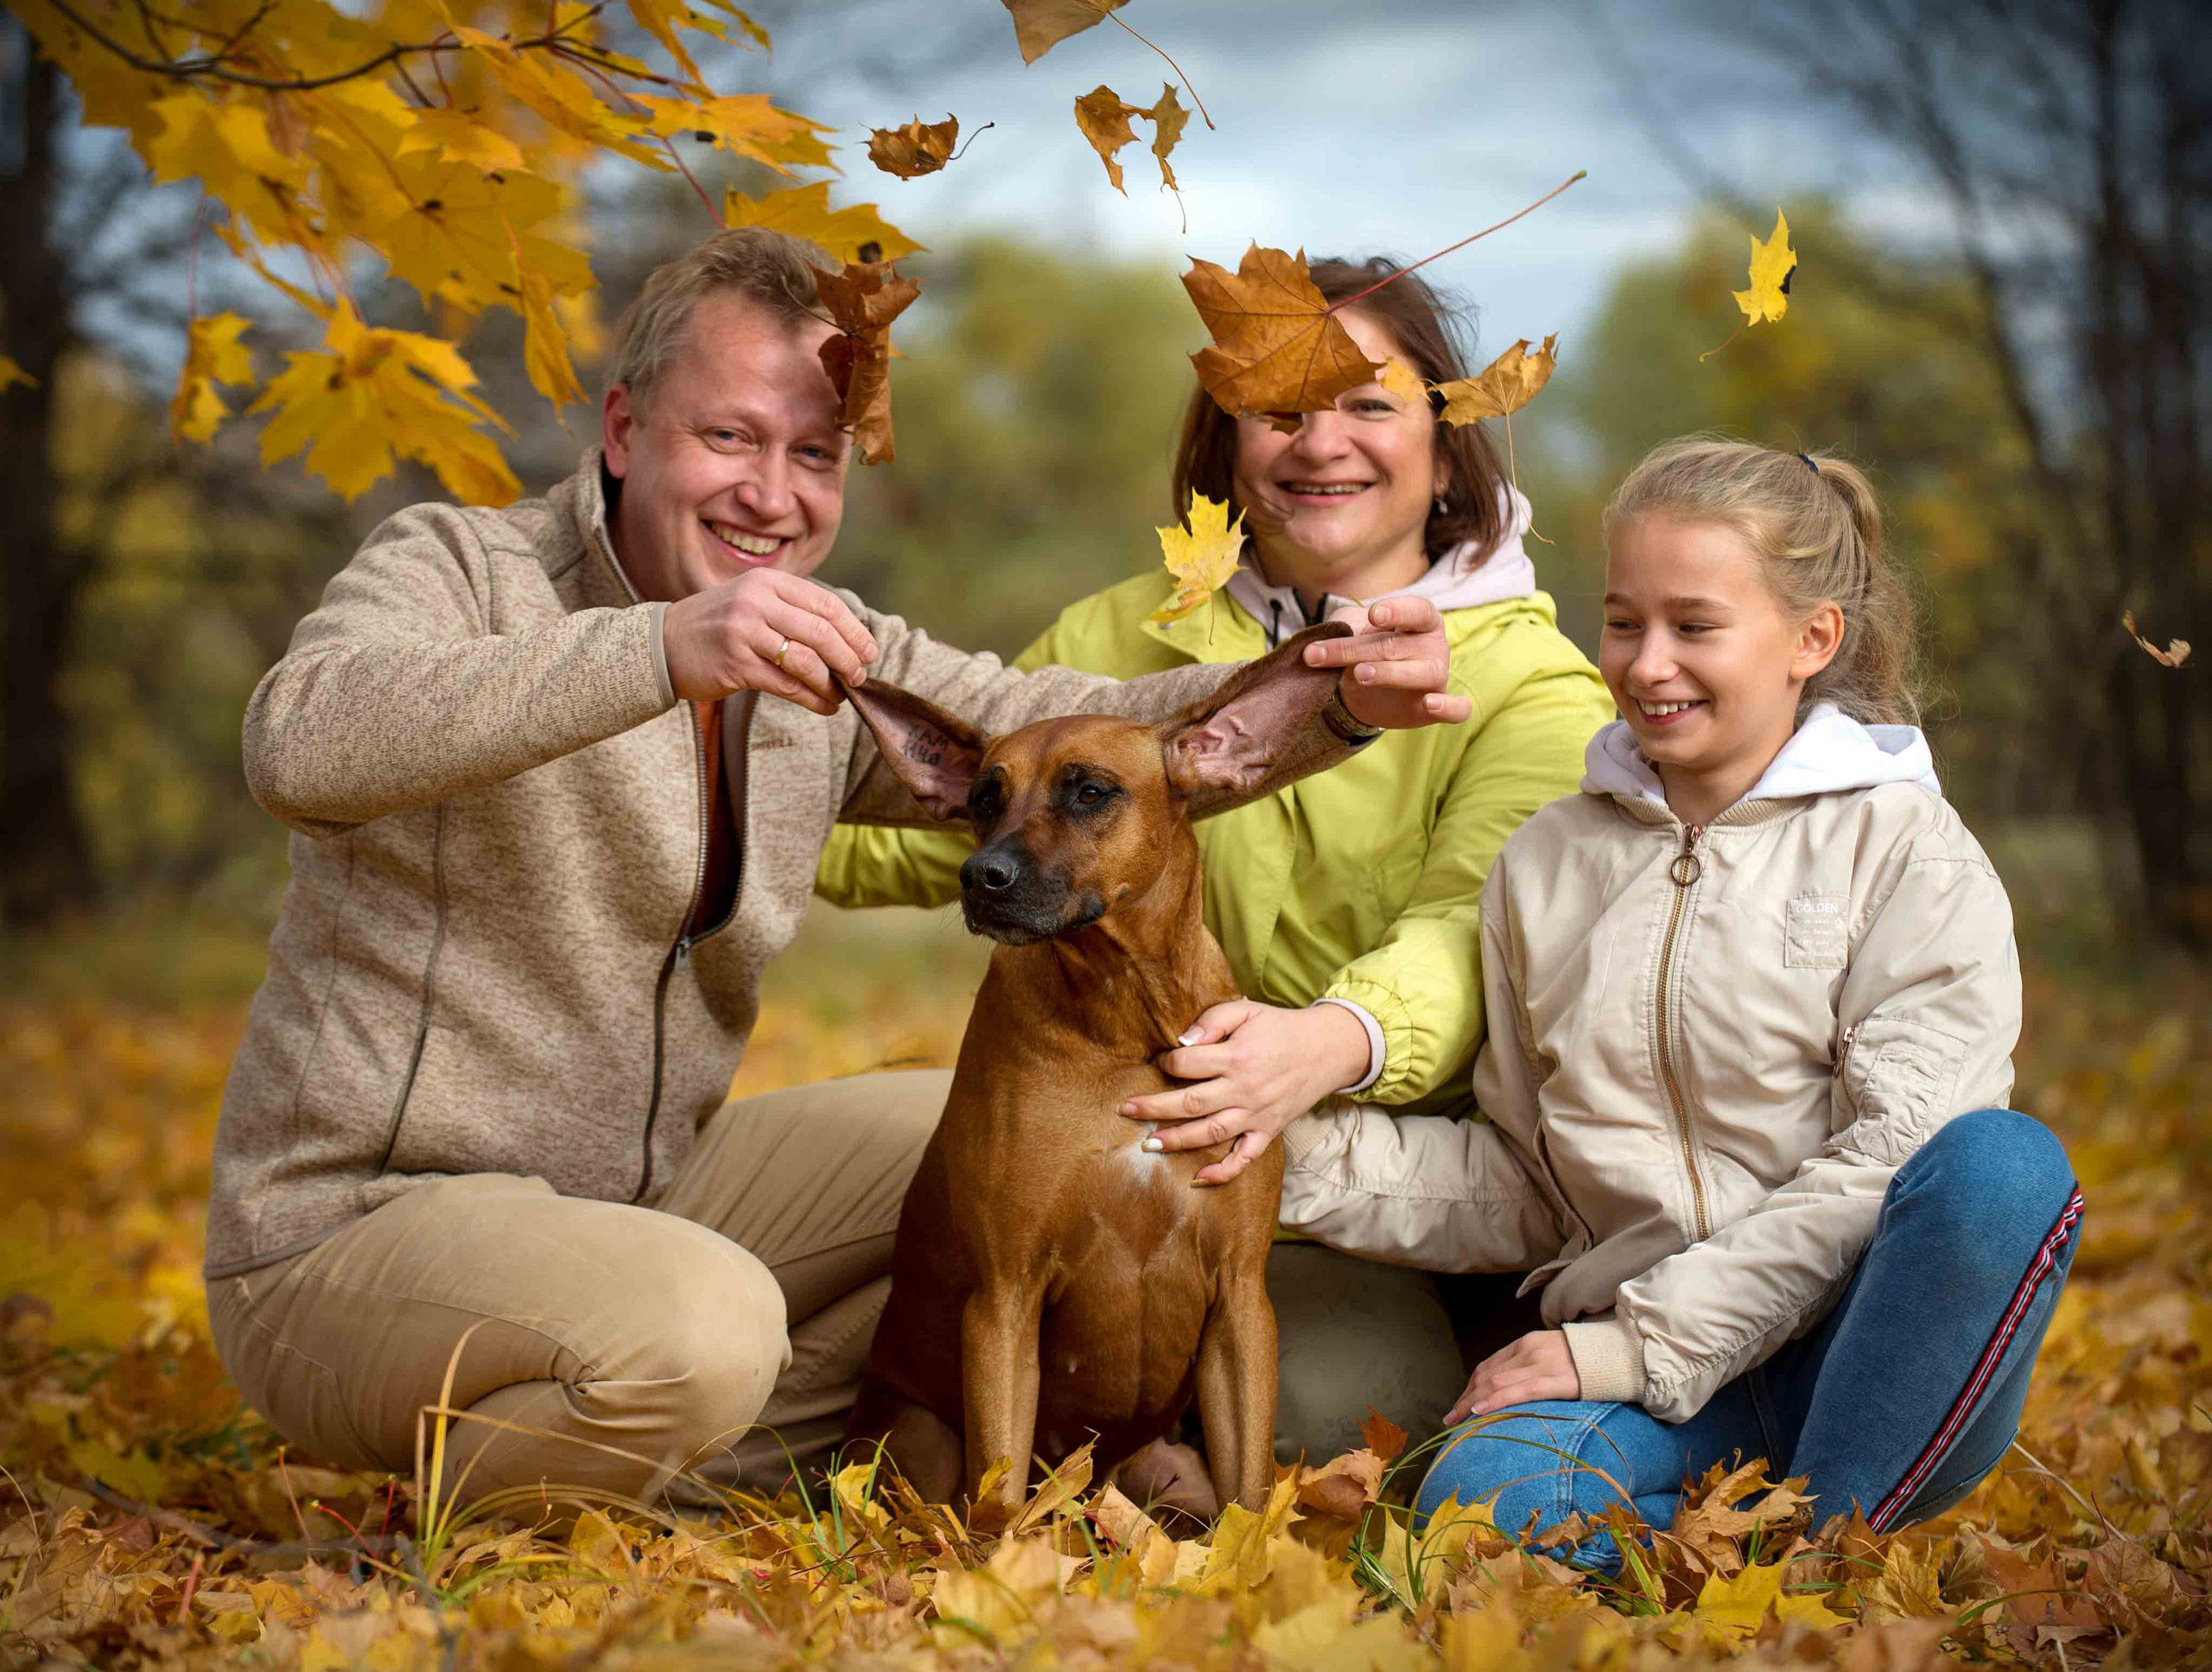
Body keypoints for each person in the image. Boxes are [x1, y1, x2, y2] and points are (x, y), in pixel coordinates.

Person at [200, 228, 1472, 1510]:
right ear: (627, 427)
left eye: (814, 454)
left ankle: (722, 1449)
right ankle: (453, 1508)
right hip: (364, 1228)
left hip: (641, 1198)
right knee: (707, 1332)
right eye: (731, 438)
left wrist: (1332, 692)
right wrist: (659, 650)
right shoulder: (462, 570)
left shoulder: (819, 662)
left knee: (1004, 1145)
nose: (773, 493)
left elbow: (1072, 721)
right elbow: (298, 738)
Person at [816, 257, 1615, 1466]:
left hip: (1383, 1190)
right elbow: (953, 830)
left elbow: (1472, 928)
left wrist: (1332, 1040)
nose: (1319, 443)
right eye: (1280, 409)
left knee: (1330, 1414)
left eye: (1368, 403)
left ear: (1447, 451)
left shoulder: (1532, 684)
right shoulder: (1117, 641)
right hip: (1114, 1141)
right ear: (1225, 443)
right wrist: (709, 806)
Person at [1280, 435, 2079, 1552]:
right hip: (1665, 1403)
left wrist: (1624, 1347)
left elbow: (1893, 1156)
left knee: (2002, 1168)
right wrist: (1274, 1152)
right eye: (1623, 621)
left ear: (1813, 640)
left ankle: (1831, 1555)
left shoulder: (1905, 851)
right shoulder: (1545, 867)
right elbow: (1528, 1180)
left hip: (1865, 1355)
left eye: (1694, 626)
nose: (1648, 664)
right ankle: (1753, 1557)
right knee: (1480, 1498)